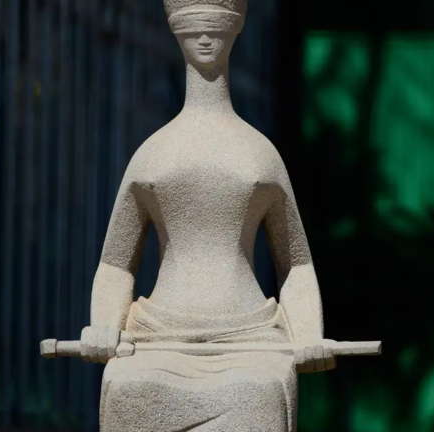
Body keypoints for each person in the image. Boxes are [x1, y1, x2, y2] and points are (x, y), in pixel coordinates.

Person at [79, 1, 331, 430]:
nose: (205, 38)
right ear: (176, 33)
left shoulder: (259, 154)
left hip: (250, 336)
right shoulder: (153, 154)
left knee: (258, 391)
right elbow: (115, 263)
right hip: (158, 334)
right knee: (127, 388)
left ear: (235, 31)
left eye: (215, 28)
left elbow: (297, 264)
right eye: (195, 29)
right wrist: (103, 325)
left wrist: (307, 334)